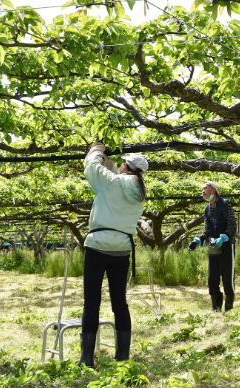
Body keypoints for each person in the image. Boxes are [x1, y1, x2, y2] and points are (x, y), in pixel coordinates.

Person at [80, 142, 148, 367]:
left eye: (121, 163)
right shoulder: (139, 192)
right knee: (119, 301)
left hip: (98, 245)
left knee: (92, 302)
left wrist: (97, 150)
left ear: (126, 166)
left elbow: (91, 168)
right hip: (122, 249)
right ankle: (122, 356)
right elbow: (114, 178)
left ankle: (87, 358)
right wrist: (110, 165)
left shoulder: (112, 182)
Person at [188, 181, 237, 312]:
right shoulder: (207, 209)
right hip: (213, 245)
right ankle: (216, 309)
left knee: (227, 278)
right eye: (201, 190)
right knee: (212, 278)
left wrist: (224, 237)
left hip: (227, 245)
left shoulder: (225, 203)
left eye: (205, 189)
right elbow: (208, 230)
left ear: (213, 190)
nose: (202, 192)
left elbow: (232, 225)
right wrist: (198, 239)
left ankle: (229, 310)